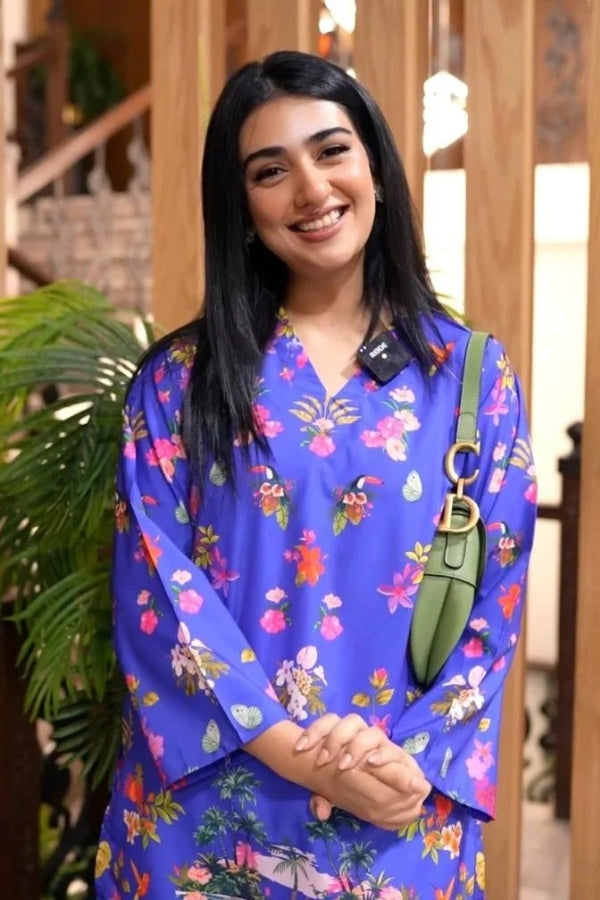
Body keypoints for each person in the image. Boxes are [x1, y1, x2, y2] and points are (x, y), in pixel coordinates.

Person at [95, 50, 536, 900]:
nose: (310, 188)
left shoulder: (471, 376)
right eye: (271, 170)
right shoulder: (180, 381)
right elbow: (160, 590)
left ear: (374, 161)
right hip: (209, 826)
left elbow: (496, 600)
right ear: (240, 203)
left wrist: (404, 764)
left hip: (399, 808)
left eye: (331, 151)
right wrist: (307, 761)